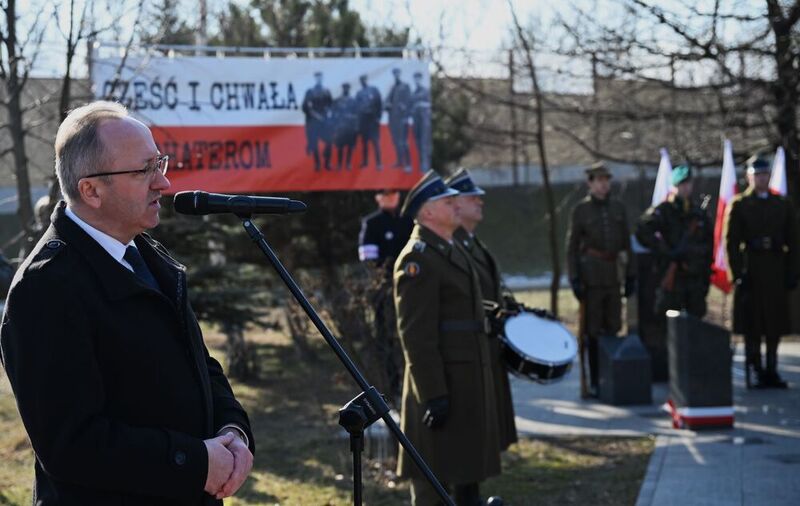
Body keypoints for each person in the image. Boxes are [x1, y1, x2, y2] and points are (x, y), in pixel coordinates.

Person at [0, 101, 255, 506]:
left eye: (160, 164)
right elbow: (72, 445)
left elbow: (200, 366)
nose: (163, 183)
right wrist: (194, 461)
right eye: (143, 170)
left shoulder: (146, 255)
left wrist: (233, 431)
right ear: (91, 190)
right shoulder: (46, 288)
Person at [394, 171, 501, 506]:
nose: (457, 205)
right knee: (433, 481)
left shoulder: (449, 249)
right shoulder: (418, 259)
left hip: (465, 380)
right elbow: (416, 335)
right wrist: (433, 394)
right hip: (442, 386)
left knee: (465, 475)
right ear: (426, 213)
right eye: (447, 201)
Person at [444, 168, 517, 452]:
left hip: (488, 346)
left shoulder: (472, 243)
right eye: (473, 197)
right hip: (473, 348)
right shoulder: (455, 246)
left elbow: (493, 291)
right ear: (456, 204)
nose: (480, 202)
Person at [725, 155, 799, 389]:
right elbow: (732, 243)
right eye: (757, 175)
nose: (761, 179)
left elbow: (795, 241)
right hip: (752, 270)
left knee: (775, 324)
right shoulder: (740, 205)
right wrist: (737, 274)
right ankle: (756, 367)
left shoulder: (782, 204)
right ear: (748, 177)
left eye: (765, 174)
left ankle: (772, 368)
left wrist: (792, 272)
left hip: (776, 269)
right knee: (753, 324)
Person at [566, 162, 635, 397]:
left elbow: (627, 243)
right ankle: (595, 380)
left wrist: (631, 274)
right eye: (599, 180)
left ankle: (611, 378)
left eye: (607, 180)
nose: (604, 185)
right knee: (592, 332)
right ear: (590, 183)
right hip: (591, 278)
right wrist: (574, 278)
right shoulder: (581, 211)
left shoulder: (618, 207)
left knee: (613, 327)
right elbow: (572, 248)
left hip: (613, 275)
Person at [635, 164, 713, 318]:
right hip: (672, 273)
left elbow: (709, 243)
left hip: (694, 275)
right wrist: (663, 250)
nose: (685, 188)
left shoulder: (698, 213)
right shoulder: (664, 210)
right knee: (669, 318)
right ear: (674, 186)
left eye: (687, 183)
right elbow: (642, 229)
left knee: (695, 318)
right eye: (681, 184)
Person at [358, 189, 414, 400]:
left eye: (394, 194)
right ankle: (392, 388)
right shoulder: (372, 223)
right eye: (385, 194)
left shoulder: (409, 221)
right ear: (378, 198)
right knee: (386, 338)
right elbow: (368, 259)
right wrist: (384, 279)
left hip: (409, 288)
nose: (390, 198)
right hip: (384, 291)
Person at [301, 71, 333, 171]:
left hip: (324, 122)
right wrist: (314, 115)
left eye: (320, 77)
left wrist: (329, 112)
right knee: (314, 144)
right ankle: (317, 164)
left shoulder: (326, 91)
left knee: (329, 141)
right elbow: (305, 107)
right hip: (314, 123)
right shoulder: (310, 92)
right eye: (317, 77)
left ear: (322, 78)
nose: (319, 79)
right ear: (315, 79)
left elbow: (331, 105)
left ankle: (327, 163)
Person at [385, 68, 412, 172]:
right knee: (396, 141)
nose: (396, 75)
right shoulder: (393, 88)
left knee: (403, 142)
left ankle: (408, 164)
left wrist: (406, 115)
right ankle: (400, 162)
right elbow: (386, 102)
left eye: (397, 73)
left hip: (402, 119)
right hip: (393, 120)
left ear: (400, 74)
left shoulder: (405, 86)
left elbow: (409, 102)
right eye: (394, 73)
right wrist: (388, 105)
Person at [355, 74, 383, 169]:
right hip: (363, 121)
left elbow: (379, 103)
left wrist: (378, 117)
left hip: (373, 120)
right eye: (362, 80)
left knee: (375, 142)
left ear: (367, 80)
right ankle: (365, 162)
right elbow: (356, 108)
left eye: (365, 79)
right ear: (360, 82)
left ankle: (379, 163)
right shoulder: (359, 93)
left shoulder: (374, 90)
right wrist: (358, 123)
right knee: (364, 143)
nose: (363, 81)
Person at [331, 82, 359, 170]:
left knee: (350, 146)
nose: (346, 90)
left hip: (350, 127)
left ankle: (348, 163)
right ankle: (339, 164)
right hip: (340, 126)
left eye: (347, 88)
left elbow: (357, 114)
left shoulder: (353, 101)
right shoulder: (338, 100)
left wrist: (352, 119)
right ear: (342, 89)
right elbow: (333, 113)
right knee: (340, 147)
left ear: (349, 89)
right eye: (344, 88)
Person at [411, 71, 432, 173]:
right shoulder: (414, 92)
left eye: (418, 78)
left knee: (424, 144)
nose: (416, 80)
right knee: (417, 144)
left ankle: (425, 167)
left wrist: (420, 104)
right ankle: (420, 166)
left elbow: (429, 105)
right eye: (415, 78)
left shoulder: (425, 91)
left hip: (424, 120)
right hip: (416, 121)